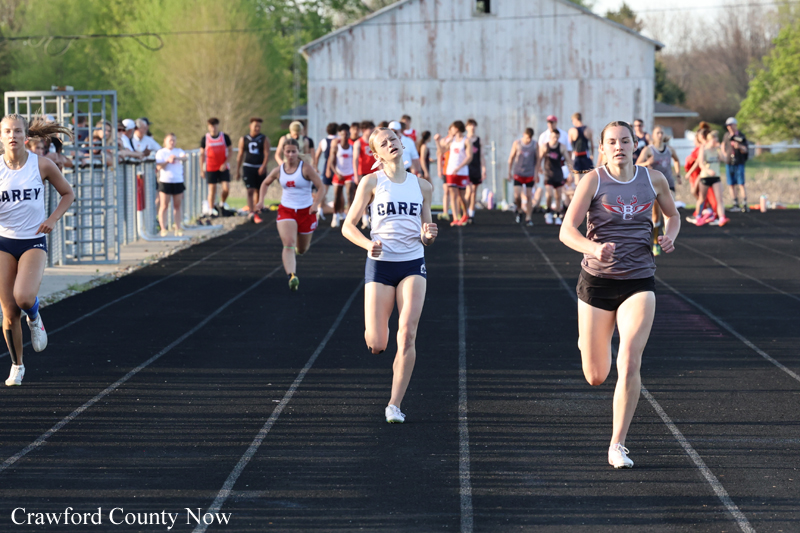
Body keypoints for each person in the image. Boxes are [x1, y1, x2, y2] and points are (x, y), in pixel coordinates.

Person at [559, 120, 680, 469]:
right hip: (597, 281)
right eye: (611, 141)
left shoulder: (653, 179)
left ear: (634, 143)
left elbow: (673, 216)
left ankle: (617, 444)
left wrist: (671, 235)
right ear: (602, 148)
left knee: (629, 359)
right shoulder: (593, 180)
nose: (618, 146)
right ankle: (588, 339)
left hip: (639, 280)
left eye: (624, 140)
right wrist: (593, 248)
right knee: (596, 375)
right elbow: (567, 231)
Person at [341, 127, 437, 424]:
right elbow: (348, 226)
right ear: (376, 154)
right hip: (380, 265)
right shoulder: (371, 182)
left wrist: (429, 236)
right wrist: (369, 243)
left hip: (412, 263)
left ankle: (394, 405)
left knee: (407, 332)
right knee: (378, 343)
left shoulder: (423, 186)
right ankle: (374, 335)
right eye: (383, 143)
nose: (390, 145)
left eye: (393, 140)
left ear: (401, 144)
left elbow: (427, 235)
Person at [0, 115, 75, 386]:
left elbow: (68, 193)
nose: (12, 135)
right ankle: (17, 365)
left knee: (23, 296)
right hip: (3, 242)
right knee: (8, 312)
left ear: (26, 136)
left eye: (17, 131)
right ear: (1, 137)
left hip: (32, 240)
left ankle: (34, 316)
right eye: (7, 131)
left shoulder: (41, 164)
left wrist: (52, 219)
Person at [255, 138, 324, 291]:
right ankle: (292, 276)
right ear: (283, 153)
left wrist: (315, 204)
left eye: (294, 151)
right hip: (286, 210)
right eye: (288, 151)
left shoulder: (305, 168)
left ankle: (297, 252)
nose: (291, 154)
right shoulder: (279, 170)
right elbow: (265, 183)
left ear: (298, 152)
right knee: (289, 243)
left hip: (306, 211)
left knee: (302, 249)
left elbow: (321, 187)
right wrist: (261, 201)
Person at [636, 125, 682, 254]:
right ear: (653, 135)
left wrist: (678, 174)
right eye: (657, 133)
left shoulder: (669, 149)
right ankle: (656, 241)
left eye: (662, 132)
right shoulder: (648, 150)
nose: (660, 135)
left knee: (669, 211)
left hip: (668, 183)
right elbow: (637, 164)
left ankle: (668, 235)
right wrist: (647, 163)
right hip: (654, 185)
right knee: (656, 216)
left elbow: (677, 160)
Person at [436, 121, 472, 226]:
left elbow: (469, 157)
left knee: (461, 197)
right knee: (452, 195)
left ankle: (465, 213)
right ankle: (455, 218)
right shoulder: (451, 141)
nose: (450, 130)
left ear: (456, 128)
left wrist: (459, 167)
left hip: (462, 172)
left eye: (452, 128)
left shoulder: (466, 141)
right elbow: (441, 151)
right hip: (450, 171)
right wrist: (437, 142)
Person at [235, 118, 271, 223]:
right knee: (250, 190)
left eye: (259, 126)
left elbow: (267, 153)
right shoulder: (244, 139)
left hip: (259, 167)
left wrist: (263, 166)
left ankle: (257, 210)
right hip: (248, 166)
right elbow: (240, 154)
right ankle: (251, 211)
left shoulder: (264, 138)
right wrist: (237, 170)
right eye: (255, 126)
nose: (257, 128)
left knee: (259, 190)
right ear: (250, 126)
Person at [155, 133, 188, 236]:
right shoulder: (161, 152)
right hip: (165, 181)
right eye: (170, 140)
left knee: (177, 205)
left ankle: (178, 227)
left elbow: (185, 158)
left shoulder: (178, 151)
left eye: (174, 140)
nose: (172, 142)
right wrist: (168, 161)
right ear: (165, 141)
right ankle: (163, 228)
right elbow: (159, 167)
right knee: (164, 205)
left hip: (177, 180)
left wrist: (176, 158)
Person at [694, 131, 729, 227]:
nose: (716, 141)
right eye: (715, 139)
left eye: (717, 139)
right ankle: (698, 216)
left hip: (716, 177)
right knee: (702, 198)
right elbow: (700, 164)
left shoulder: (717, 150)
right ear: (710, 140)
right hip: (705, 177)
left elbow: (725, 160)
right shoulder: (704, 149)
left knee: (719, 198)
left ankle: (722, 217)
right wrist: (708, 170)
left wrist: (721, 149)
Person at [540, 129, 573, 225]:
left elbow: (568, 160)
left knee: (558, 196)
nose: (555, 139)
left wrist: (571, 172)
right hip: (548, 174)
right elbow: (539, 159)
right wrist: (538, 168)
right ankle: (548, 211)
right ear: (550, 137)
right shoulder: (545, 147)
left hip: (558, 174)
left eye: (557, 138)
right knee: (549, 194)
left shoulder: (561, 147)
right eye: (554, 137)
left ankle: (558, 214)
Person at [199, 117, 232, 216]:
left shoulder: (224, 137)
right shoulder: (205, 139)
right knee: (212, 189)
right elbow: (202, 155)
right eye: (211, 126)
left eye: (215, 125)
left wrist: (225, 163)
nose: (213, 128)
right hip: (211, 167)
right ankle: (211, 209)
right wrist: (202, 169)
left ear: (218, 126)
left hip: (223, 166)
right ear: (209, 127)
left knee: (226, 188)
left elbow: (230, 151)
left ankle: (222, 203)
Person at [507, 128, 538, 226]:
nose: (528, 140)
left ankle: (528, 217)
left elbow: (537, 160)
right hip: (518, 173)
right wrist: (509, 172)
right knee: (517, 196)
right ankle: (519, 210)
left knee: (529, 196)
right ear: (523, 135)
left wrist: (536, 174)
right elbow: (511, 158)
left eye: (530, 138)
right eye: (527, 137)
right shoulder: (517, 143)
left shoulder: (535, 145)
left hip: (529, 173)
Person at [327, 123, 354, 228]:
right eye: (343, 135)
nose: (345, 136)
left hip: (349, 174)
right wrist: (336, 173)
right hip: (339, 174)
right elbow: (332, 162)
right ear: (340, 136)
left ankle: (349, 217)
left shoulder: (352, 147)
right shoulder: (336, 147)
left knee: (349, 194)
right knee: (337, 196)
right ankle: (335, 215)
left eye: (347, 134)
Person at [720, 117, 749, 212]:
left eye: (731, 125)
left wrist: (739, 146)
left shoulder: (741, 136)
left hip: (739, 162)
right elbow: (723, 145)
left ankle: (744, 203)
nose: (729, 128)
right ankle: (735, 203)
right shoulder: (726, 135)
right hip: (729, 162)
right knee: (731, 184)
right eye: (728, 126)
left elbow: (746, 150)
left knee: (741, 183)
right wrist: (725, 155)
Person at [352, 121, 377, 229]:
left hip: (375, 172)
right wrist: (356, 175)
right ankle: (365, 219)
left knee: (376, 196)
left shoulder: (374, 142)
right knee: (363, 197)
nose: (372, 131)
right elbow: (355, 159)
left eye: (372, 128)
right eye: (370, 129)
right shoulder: (358, 142)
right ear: (364, 130)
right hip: (363, 173)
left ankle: (374, 218)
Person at [314, 122, 339, 221]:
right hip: (337, 167)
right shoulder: (338, 141)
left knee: (324, 190)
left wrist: (315, 167)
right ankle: (338, 213)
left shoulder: (323, 141)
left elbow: (317, 155)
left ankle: (319, 210)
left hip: (326, 168)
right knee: (337, 192)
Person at [465, 119, 485, 224]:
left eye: (473, 125)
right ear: (466, 127)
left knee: (473, 193)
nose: (472, 127)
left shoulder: (478, 140)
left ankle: (471, 214)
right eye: (470, 125)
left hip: (476, 168)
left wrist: (484, 168)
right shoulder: (464, 140)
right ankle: (465, 212)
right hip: (466, 169)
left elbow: (481, 155)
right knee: (468, 192)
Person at [569, 112, 594, 179]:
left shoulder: (572, 131)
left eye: (572, 121)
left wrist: (570, 159)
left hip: (577, 157)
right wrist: (592, 155)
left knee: (577, 181)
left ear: (575, 119)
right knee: (589, 179)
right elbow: (592, 145)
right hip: (586, 157)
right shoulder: (588, 130)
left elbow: (569, 146)